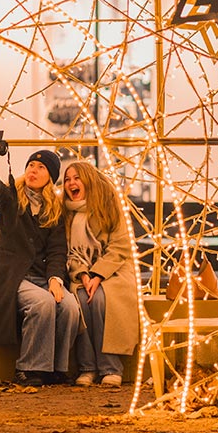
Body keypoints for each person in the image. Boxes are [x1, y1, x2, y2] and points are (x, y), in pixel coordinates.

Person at [0, 142, 75, 385]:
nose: (33, 170)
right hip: (13, 277)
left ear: (50, 177)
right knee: (43, 304)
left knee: (70, 306)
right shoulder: (11, 198)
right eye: (31, 165)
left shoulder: (54, 210)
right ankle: (29, 368)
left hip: (42, 277)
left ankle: (56, 368)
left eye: (41, 167)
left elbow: (57, 249)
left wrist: (55, 279)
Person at [61, 160, 139, 387]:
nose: (71, 183)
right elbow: (69, 252)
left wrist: (97, 275)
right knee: (80, 301)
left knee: (101, 300)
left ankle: (110, 368)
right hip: (79, 272)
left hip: (113, 271)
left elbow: (121, 246)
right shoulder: (66, 213)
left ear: (88, 181)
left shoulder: (109, 205)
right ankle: (88, 368)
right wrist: (84, 275)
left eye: (76, 178)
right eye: (67, 179)